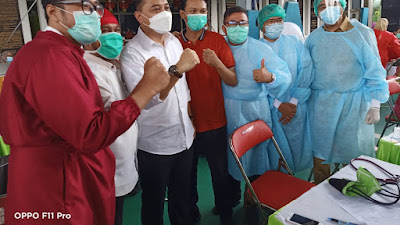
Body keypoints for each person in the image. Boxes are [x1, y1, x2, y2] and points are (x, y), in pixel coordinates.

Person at [0, 0, 173, 224]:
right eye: (83, 6)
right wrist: (146, 89)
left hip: (67, 175)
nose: (93, 14)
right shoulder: (50, 57)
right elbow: (90, 133)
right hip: (57, 186)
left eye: (95, 7)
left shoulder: (66, 53)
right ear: (52, 11)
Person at [120, 0, 200, 224]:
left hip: (184, 137)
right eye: (155, 9)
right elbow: (149, 100)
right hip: (154, 144)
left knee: (182, 198)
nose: (164, 13)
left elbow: (184, 90)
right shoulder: (133, 53)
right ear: (139, 16)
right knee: (153, 203)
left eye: (166, 7)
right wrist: (176, 70)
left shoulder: (173, 41)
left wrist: (190, 119)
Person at [306, 0, 389, 184]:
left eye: (333, 3)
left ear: (343, 6)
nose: (328, 9)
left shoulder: (361, 34)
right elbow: (305, 74)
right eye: (322, 6)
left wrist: (375, 104)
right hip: (321, 108)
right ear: (316, 12)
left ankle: (351, 204)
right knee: (320, 161)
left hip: (354, 107)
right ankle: (319, 205)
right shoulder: (314, 38)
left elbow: (374, 70)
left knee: (353, 164)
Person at [177, 0, 239, 224]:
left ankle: (226, 214)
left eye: (202, 11)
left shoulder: (217, 41)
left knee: (220, 174)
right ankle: (191, 215)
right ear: (183, 14)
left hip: (214, 120)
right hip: (185, 122)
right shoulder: (174, 42)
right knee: (187, 176)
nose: (199, 15)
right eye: (193, 11)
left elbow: (232, 80)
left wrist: (217, 64)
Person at [221, 6, 291, 186]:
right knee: (231, 156)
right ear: (224, 27)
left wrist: (270, 78)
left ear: (248, 25)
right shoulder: (218, 48)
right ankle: (232, 198)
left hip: (256, 110)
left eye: (242, 23)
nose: (238, 27)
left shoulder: (260, 49)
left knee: (257, 158)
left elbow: (285, 76)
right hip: (227, 110)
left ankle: (253, 200)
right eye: (233, 23)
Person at [82, 9, 138, 225]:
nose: (113, 36)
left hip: (123, 160)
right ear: (90, 38)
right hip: (106, 166)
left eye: (116, 31)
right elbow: (111, 116)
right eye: (105, 31)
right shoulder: (90, 71)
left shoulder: (112, 66)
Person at [257, 4, 313, 173]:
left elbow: (306, 72)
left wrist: (293, 102)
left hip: (296, 108)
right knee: (275, 157)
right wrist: (278, 105)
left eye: (279, 20)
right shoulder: (255, 48)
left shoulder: (295, 43)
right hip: (271, 112)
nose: (275, 24)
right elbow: (255, 85)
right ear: (261, 25)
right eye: (270, 21)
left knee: (297, 153)